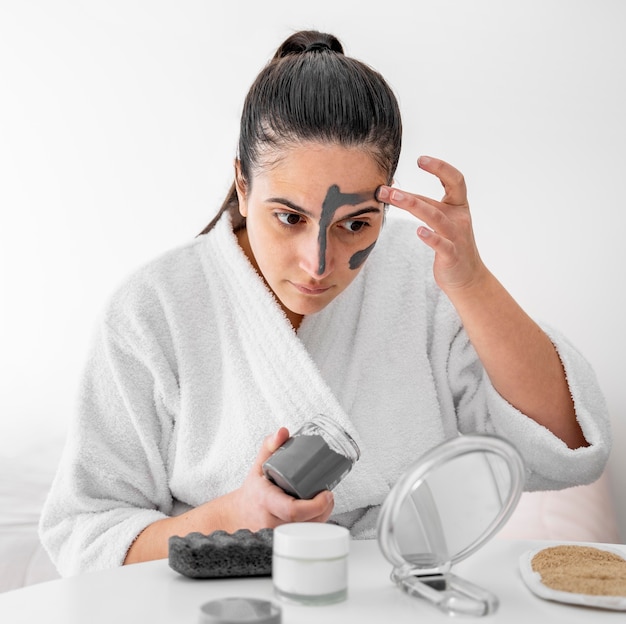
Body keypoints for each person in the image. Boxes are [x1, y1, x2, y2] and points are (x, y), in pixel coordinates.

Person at [40, 30, 611, 576]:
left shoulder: (422, 282)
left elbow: (565, 445)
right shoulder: (154, 308)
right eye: (289, 217)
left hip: (394, 597)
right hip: (215, 603)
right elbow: (87, 535)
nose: (318, 263)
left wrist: (472, 282)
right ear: (243, 184)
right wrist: (237, 516)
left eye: (355, 224)